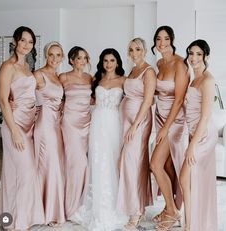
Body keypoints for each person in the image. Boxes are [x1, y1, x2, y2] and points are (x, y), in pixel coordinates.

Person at [70, 48, 126, 230]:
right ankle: (96, 206)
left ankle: (114, 204)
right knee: (97, 161)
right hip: (97, 123)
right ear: (102, 63)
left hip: (114, 124)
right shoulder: (96, 80)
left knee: (112, 161)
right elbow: (83, 98)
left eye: (112, 60)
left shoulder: (124, 81)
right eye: (105, 61)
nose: (108, 64)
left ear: (117, 62)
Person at [0, 26, 44, 230]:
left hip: (30, 124)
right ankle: (18, 222)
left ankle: (13, 218)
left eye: (30, 42)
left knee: (15, 173)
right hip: (14, 125)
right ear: (15, 42)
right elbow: (2, 99)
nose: (26, 45)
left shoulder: (28, 68)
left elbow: (30, 92)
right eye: (23, 41)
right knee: (25, 172)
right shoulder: (7, 66)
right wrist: (14, 130)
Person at [149, 25, 189, 230]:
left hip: (174, 121)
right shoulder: (159, 63)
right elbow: (159, 91)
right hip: (159, 116)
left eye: (165, 39)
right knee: (165, 166)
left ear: (172, 40)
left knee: (154, 164)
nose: (162, 43)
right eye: (158, 39)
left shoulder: (180, 64)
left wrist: (165, 128)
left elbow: (179, 98)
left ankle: (173, 212)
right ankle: (168, 207)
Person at [117, 37, 156, 229]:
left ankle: (136, 211)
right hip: (126, 122)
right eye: (131, 49)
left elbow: (148, 101)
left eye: (138, 49)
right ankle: (136, 204)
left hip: (139, 122)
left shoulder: (149, 71)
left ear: (145, 50)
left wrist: (134, 126)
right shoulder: (132, 70)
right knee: (131, 164)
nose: (134, 53)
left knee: (133, 163)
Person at [180, 39, 218, 231]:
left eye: (198, 54)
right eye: (191, 53)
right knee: (189, 180)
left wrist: (191, 146)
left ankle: (191, 225)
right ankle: (191, 223)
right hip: (193, 133)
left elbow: (205, 117)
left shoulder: (208, 80)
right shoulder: (192, 77)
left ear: (206, 56)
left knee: (185, 178)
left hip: (203, 135)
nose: (193, 58)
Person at [59, 46, 93, 219]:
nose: (82, 61)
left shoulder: (90, 78)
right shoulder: (63, 77)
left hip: (86, 124)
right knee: (77, 163)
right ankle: (69, 207)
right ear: (71, 60)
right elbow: (55, 97)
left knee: (81, 163)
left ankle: (80, 202)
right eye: (78, 58)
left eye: (85, 58)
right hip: (70, 123)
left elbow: (95, 98)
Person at [33, 41, 65, 226]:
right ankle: (43, 211)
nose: (54, 59)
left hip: (56, 126)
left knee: (55, 166)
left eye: (58, 55)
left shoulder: (58, 76)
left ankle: (51, 209)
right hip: (44, 125)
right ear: (46, 55)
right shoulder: (38, 74)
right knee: (46, 165)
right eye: (51, 55)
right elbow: (23, 93)